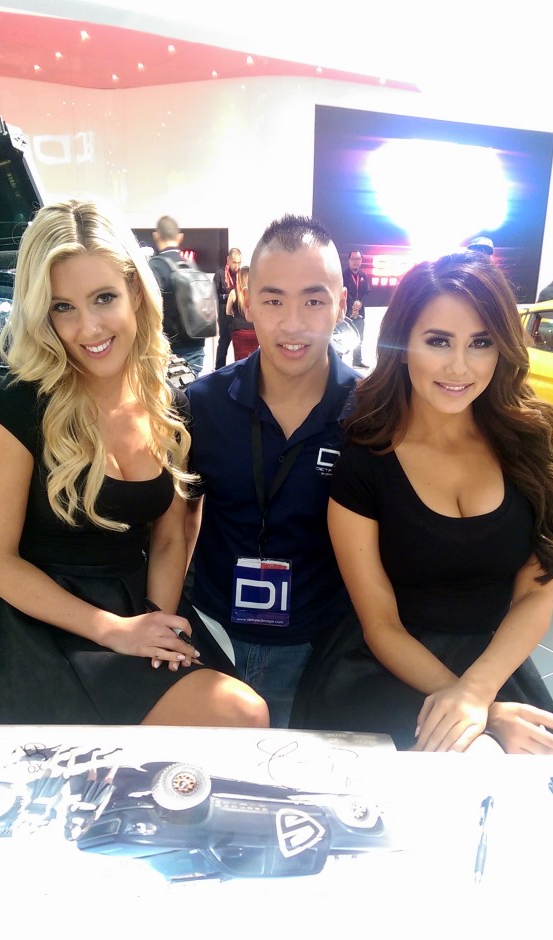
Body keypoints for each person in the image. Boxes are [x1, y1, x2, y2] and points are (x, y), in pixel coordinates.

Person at [0, 198, 268, 728]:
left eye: (103, 298)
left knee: (242, 716)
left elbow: (172, 537)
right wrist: (112, 631)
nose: (88, 328)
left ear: (135, 291)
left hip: (139, 607)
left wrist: (155, 624)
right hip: (37, 628)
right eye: (62, 307)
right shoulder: (16, 405)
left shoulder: (171, 405)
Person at [290, 251, 553, 753]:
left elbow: (536, 593)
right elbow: (380, 623)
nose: (460, 365)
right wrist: (480, 711)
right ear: (402, 346)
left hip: (494, 667)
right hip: (385, 672)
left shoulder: (536, 447)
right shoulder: (365, 459)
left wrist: (478, 691)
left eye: (481, 342)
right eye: (438, 341)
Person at [184, 214, 360, 727]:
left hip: (325, 643)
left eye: (314, 301)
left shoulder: (372, 414)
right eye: (274, 300)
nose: (293, 324)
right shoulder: (202, 404)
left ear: (341, 304)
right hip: (213, 635)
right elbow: (176, 525)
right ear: (246, 300)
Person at [149, 215, 206, 377]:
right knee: (191, 389)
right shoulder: (191, 265)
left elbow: (150, 307)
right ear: (180, 237)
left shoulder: (154, 266)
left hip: (166, 349)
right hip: (196, 347)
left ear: (156, 236)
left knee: (167, 392)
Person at [214, 247, 242, 369]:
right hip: (225, 318)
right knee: (223, 345)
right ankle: (219, 371)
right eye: (234, 262)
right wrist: (229, 296)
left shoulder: (242, 275)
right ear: (228, 260)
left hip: (240, 318)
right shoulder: (220, 275)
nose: (237, 266)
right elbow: (214, 295)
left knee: (240, 350)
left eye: (239, 262)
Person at [343, 250, 370, 368]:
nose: (355, 261)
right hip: (346, 312)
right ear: (349, 260)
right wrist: (353, 304)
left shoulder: (363, 276)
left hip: (360, 311)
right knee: (342, 337)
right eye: (353, 259)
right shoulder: (343, 275)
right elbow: (342, 291)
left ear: (361, 261)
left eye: (358, 259)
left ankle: (357, 361)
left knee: (359, 337)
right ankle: (339, 362)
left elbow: (367, 292)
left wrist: (360, 303)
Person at [225, 265, 258, 361]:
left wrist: (234, 312)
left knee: (240, 360)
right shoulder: (255, 293)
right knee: (254, 360)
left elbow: (227, 311)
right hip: (254, 330)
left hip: (238, 330)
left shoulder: (233, 293)